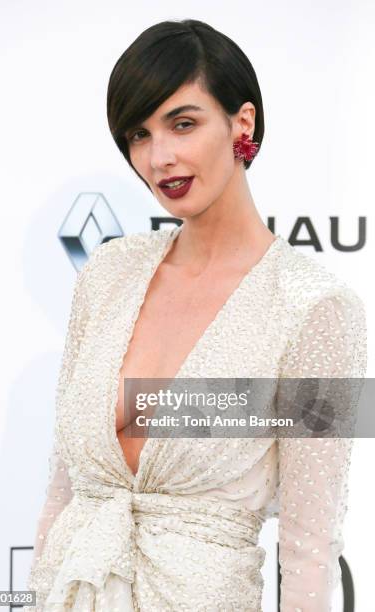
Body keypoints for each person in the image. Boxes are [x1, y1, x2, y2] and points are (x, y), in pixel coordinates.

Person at [23, 18, 367, 611]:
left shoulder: (318, 309)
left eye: (183, 123)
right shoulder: (106, 276)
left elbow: (310, 545)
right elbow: (64, 490)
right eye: (139, 134)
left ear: (242, 122)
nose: (160, 157)